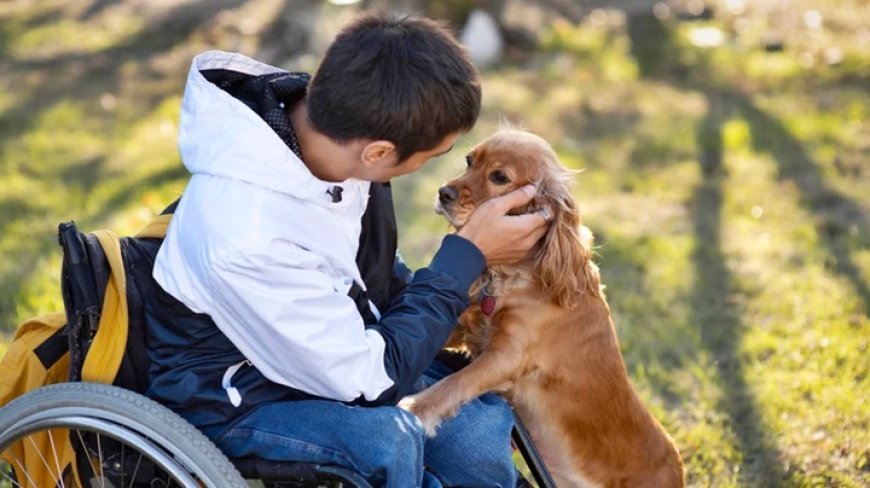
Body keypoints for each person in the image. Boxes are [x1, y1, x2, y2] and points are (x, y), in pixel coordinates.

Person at [144, 12, 548, 488]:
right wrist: (465, 254)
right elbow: (367, 381)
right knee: (388, 441)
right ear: (378, 152)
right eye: (431, 157)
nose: (437, 174)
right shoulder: (247, 235)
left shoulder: (338, 148)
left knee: (474, 432)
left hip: (327, 350)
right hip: (239, 399)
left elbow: (376, 283)